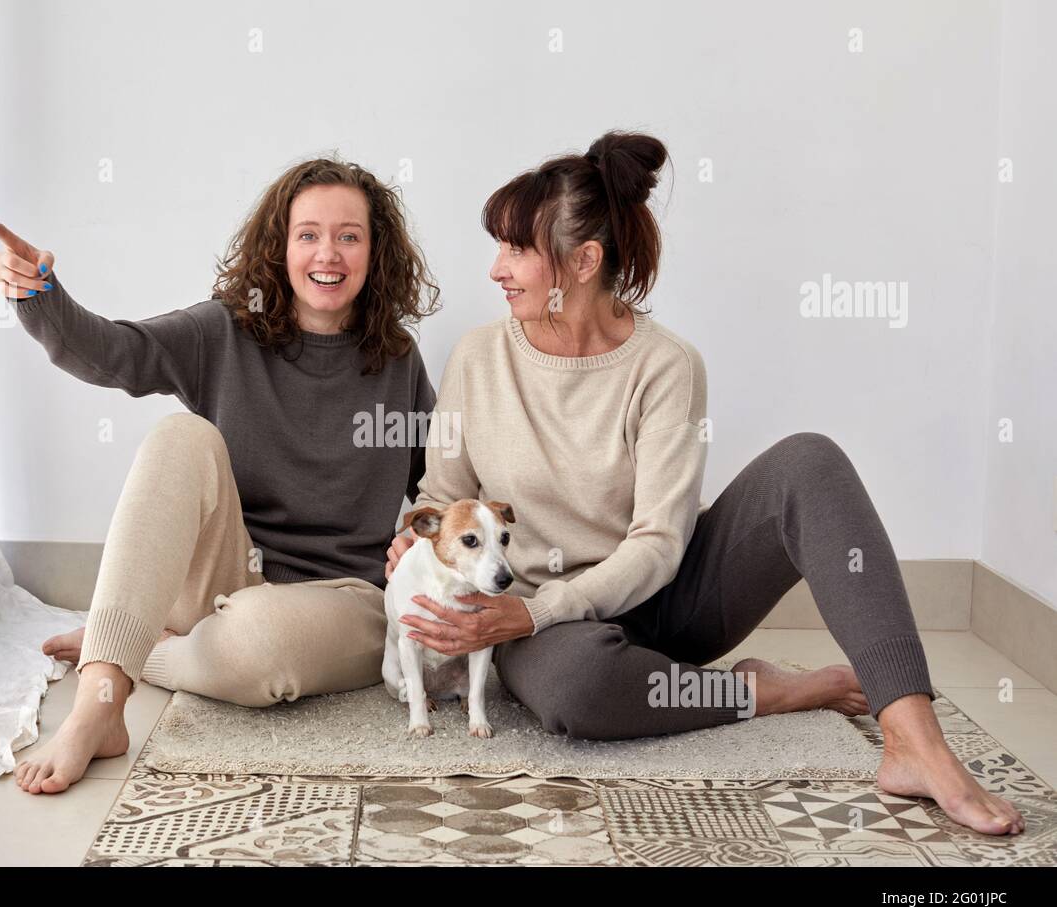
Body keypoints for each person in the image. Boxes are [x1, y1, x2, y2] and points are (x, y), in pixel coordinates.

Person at [385, 130, 1024, 837]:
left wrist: (543, 609)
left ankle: (915, 739)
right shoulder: (478, 358)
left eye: (515, 249)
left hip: (663, 600)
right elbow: (439, 496)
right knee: (580, 693)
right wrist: (418, 551)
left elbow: (660, 543)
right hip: (540, 623)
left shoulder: (666, 366)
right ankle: (763, 690)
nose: (496, 270)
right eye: (498, 247)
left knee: (810, 462)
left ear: (584, 261)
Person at [0, 157, 439, 794]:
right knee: (181, 436)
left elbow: (438, 479)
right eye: (307, 234)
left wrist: (423, 541)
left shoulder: (397, 358)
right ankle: (100, 702)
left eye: (349, 235)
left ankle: (134, 642)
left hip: (341, 600)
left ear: (375, 251)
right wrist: (41, 298)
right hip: (227, 569)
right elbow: (121, 354)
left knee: (258, 645)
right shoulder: (226, 330)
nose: (327, 253)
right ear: (279, 247)